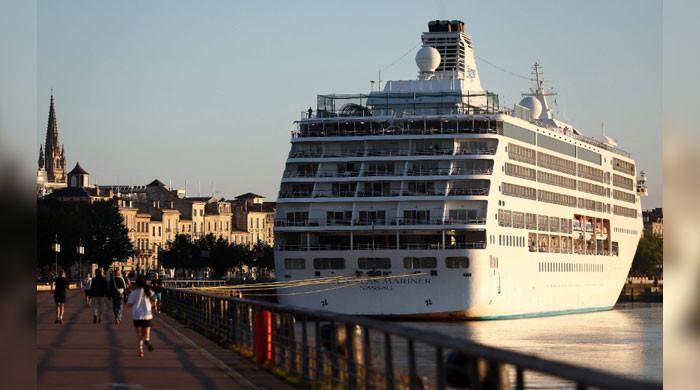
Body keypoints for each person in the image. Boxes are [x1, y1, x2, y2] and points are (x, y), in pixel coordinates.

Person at [127, 275, 154, 357]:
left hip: (137, 316)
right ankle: (147, 339)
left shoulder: (134, 293)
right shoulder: (148, 291)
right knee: (146, 332)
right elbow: (154, 301)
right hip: (147, 315)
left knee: (139, 335)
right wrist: (150, 305)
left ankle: (141, 350)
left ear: (137, 284)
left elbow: (130, 304)